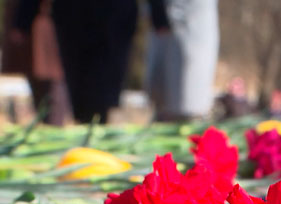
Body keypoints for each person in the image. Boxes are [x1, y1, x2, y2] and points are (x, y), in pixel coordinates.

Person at [16, 0, 169, 124]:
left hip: (113, 16)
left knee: (106, 86)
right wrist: (24, 18)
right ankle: (86, 125)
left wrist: (159, 15)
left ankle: (98, 126)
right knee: (79, 86)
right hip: (74, 16)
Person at [145, 0, 219, 121]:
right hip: (167, 26)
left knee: (187, 100)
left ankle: (186, 122)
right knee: (165, 98)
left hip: (192, 25)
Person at [4, 0, 70, 125]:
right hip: (40, 25)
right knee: (42, 80)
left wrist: (21, 24)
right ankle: (48, 121)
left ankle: (52, 123)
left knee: (53, 81)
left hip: (50, 24)